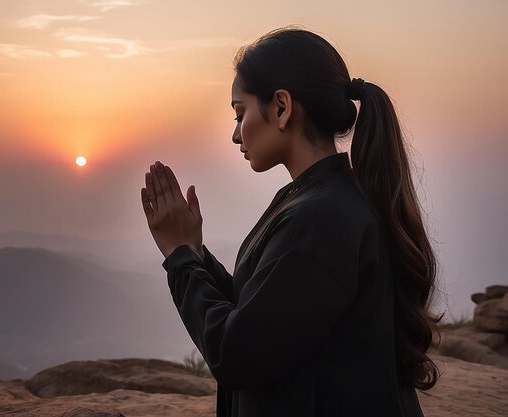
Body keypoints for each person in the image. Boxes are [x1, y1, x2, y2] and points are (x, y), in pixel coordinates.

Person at [140, 26, 442, 417]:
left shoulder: (321, 218)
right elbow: (263, 313)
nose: (235, 135)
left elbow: (240, 355)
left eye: (239, 112)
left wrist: (179, 257)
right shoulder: (318, 201)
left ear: (281, 107)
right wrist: (195, 255)